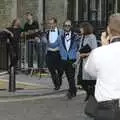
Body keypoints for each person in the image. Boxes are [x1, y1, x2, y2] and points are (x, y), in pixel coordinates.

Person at [85, 13, 120, 120]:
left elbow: (90, 71)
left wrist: (105, 47)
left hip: (107, 109)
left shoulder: (98, 53)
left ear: (108, 30)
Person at [58, 20, 80, 99]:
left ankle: (72, 91)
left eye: (69, 25)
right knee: (65, 75)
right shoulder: (60, 36)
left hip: (72, 58)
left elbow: (79, 46)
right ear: (63, 26)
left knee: (71, 76)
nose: (67, 27)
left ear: (71, 26)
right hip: (63, 58)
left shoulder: (76, 36)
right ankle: (73, 89)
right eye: (66, 25)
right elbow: (56, 45)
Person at [76, 22, 97, 101]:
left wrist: (85, 54)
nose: (80, 29)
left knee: (89, 82)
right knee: (81, 82)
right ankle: (90, 93)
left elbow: (94, 50)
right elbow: (80, 48)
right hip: (82, 62)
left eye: (81, 28)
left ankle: (93, 95)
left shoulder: (92, 37)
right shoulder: (82, 37)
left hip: (89, 62)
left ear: (85, 28)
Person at [45, 17, 63, 90]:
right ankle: (56, 85)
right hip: (49, 53)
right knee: (52, 70)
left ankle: (59, 80)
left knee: (60, 70)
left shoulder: (61, 32)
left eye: (52, 23)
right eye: (50, 23)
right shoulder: (47, 32)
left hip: (58, 53)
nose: (51, 25)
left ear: (55, 24)